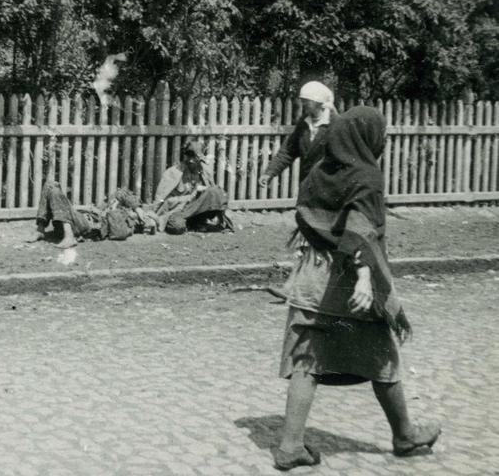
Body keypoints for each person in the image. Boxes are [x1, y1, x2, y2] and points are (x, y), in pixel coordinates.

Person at [273, 107, 440, 470]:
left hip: (311, 277)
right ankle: (405, 435)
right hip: (347, 283)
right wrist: (365, 276)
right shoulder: (366, 175)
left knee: (307, 360)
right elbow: (359, 226)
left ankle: (289, 447)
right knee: (383, 356)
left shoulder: (321, 170)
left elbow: (307, 214)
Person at [30, 182, 159, 249]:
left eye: (148, 219)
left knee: (55, 191)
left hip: (86, 227)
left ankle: (69, 237)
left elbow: (118, 233)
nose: (145, 218)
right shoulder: (131, 207)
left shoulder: (130, 224)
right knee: (50, 185)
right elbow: (122, 192)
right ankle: (40, 229)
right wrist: (138, 208)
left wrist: (113, 211)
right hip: (71, 221)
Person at [259, 81, 338, 188]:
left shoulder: (336, 125)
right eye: (303, 101)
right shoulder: (304, 124)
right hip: (307, 185)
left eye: (307, 101)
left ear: (319, 102)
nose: (303, 104)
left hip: (330, 186)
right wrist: (269, 173)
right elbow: (288, 151)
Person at [152, 140, 232, 234]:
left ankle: (200, 223)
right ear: (185, 156)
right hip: (179, 210)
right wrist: (193, 195)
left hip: (197, 210)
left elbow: (215, 197)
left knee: (215, 191)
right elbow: (163, 201)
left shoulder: (204, 171)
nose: (191, 160)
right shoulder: (173, 173)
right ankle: (191, 224)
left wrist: (225, 220)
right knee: (177, 226)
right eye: (189, 156)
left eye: (195, 157)